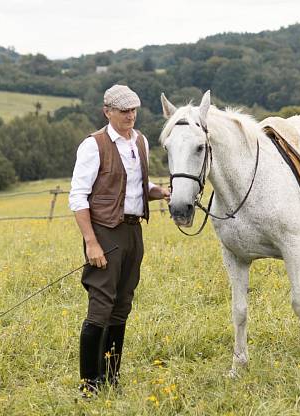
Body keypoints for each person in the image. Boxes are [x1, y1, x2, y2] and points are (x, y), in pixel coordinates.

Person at [68, 84, 169, 395]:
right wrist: (91, 242)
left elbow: (137, 187)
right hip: (105, 232)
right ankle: (89, 384)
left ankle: (111, 379)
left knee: (122, 304)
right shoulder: (93, 145)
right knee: (101, 305)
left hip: (134, 231)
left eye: (133, 110)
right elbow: (78, 197)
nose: (130, 115)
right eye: (124, 110)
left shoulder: (140, 141)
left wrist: (160, 192)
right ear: (107, 111)